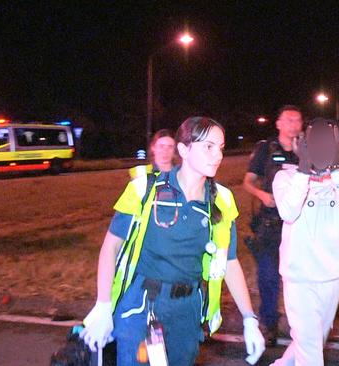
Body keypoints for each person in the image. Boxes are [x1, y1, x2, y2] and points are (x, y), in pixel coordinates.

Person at [80, 117, 265, 365]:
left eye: (220, 147)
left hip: (187, 311)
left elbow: (229, 261)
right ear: (184, 150)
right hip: (141, 306)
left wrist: (249, 319)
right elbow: (110, 247)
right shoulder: (145, 189)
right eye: (208, 146)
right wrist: (103, 305)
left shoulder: (221, 200)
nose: (217, 155)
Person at [271, 118, 339, 366]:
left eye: (328, 142)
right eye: (316, 141)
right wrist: (303, 168)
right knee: (310, 351)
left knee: (309, 344)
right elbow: (288, 212)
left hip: (332, 275)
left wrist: (335, 167)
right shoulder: (286, 177)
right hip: (300, 278)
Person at [242, 105, 303, 345]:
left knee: (297, 278)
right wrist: (262, 195)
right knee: (268, 276)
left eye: (298, 120)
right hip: (269, 224)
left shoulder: (306, 150)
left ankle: (300, 327)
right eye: (289, 120)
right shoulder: (265, 150)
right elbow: (247, 182)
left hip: (297, 224)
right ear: (278, 124)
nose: (294, 125)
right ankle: (269, 324)